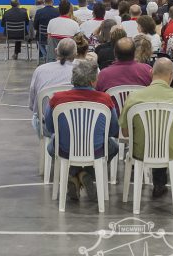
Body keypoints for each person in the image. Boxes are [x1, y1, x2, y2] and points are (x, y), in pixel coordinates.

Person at [120, 58, 173, 199]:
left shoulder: (133, 97)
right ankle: (161, 183)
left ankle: (157, 182)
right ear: (172, 75)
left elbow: (126, 132)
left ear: (151, 72)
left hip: (140, 151)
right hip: (170, 152)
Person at [44, 60, 118, 201]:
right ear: (92, 81)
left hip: (66, 148)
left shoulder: (57, 99)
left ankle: (73, 174)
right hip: (95, 148)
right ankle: (87, 174)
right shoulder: (105, 100)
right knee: (113, 147)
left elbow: (50, 127)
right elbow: (113, 129)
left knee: (51, 146)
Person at [29, 38, 78, 137]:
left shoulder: (40, 70)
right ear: (75, 54)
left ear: (56, 51)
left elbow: (33, 105)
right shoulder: (80, 71)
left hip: (46, 127)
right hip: (75, 126)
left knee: (35, 118)